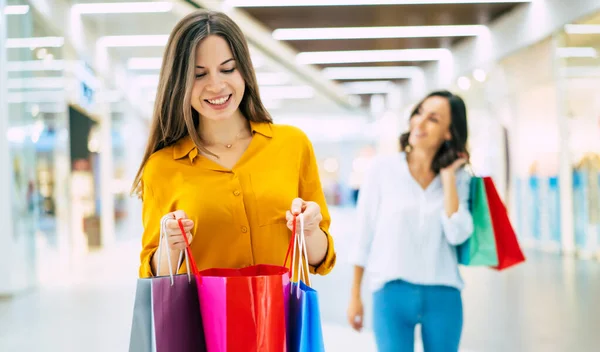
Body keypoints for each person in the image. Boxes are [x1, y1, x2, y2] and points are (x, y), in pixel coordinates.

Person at [131, 10, 336, 278]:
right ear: (179, 83)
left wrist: (310, 231)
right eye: (198, 74)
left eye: (227, 69)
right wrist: (170, 248)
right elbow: (153, 274)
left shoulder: (293, 145)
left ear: (244, 71)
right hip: (204, 320)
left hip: (281, 318)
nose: (216, 85)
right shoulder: (161, 167)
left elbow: (321, 259)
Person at [347, 90, 474, 352]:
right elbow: (363, 235)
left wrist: (448, 177)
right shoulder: (382, 169)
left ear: (449, 133)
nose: (419, 122)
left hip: (444, 295)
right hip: (391, 294)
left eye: (433, 119)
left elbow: (457, 234)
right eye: (419, 113)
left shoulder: (461, 179)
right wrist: (355, 296)